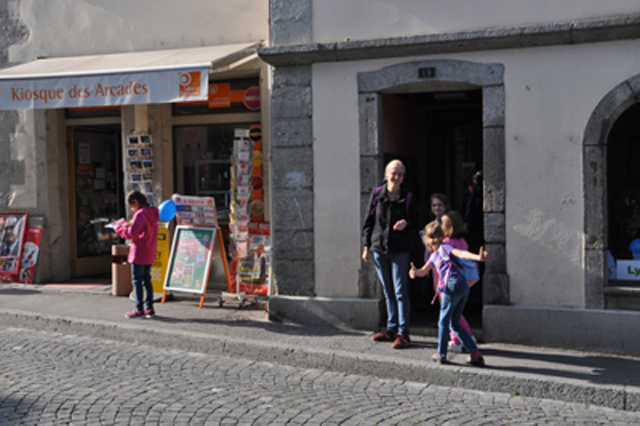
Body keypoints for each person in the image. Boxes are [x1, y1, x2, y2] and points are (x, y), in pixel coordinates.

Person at [410, 221, 489, 366]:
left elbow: (461, 253)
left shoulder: (445, 247)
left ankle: (441, 353)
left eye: (439, 236)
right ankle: (475, 354)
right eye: (433, 237)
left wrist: (478, 258)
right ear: (426, 239)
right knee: (454, 323)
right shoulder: (434, 255)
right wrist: (415, 272)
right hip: (461, 286)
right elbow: (424, 270)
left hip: (453, 284)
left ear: (444, 237)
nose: (437, 239)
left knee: (443, 321)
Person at [362, 159, 417, 349]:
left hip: (399, 250)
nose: (396, 177)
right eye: (394, 173)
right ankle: (391, 329)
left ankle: (403, 333)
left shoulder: (408, 197)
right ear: (386, 174)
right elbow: (368, 221)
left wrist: (406, 224)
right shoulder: (377, 194)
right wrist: (366, 246)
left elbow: (416, 222)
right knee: (388, 291)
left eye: (400, 174)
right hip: (379, 249)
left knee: (400, 292)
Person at [115, 191, 159, 319]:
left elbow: (131, 233)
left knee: (137, 281)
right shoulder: (152, 212)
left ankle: (139, 308)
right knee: (147, 280)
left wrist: (118, 228)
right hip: (150, 251)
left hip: (139, 252)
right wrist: (129, 225)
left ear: (136, 202)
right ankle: (149, 308)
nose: (132, 209)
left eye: (131, 206)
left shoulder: (140, 214)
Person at [440, 211, 478, 353]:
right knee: (456, 313)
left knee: (449, 316)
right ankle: (468, 339)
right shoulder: (462, 241)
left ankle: (456, 341)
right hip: (464, 280)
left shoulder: (447, 243)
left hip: (450, 281)